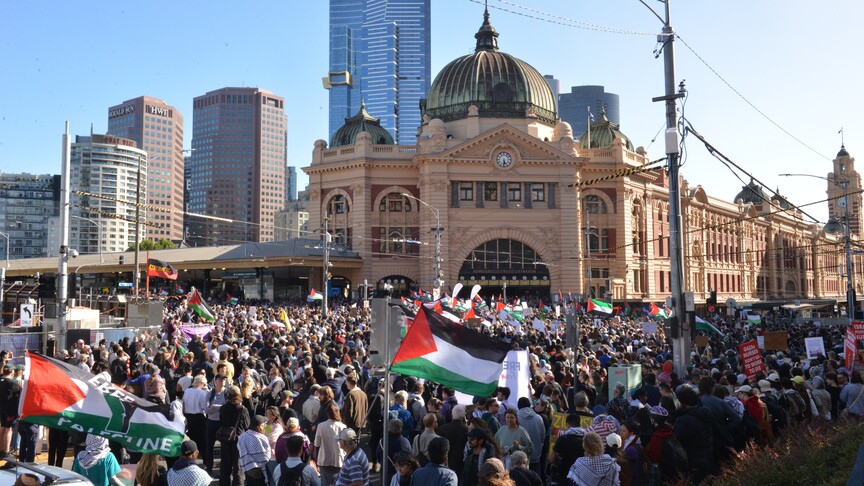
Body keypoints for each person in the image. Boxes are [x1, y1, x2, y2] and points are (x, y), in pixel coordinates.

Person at [220, 385, 251, 486]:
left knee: (225, 468)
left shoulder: (223, 408)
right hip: (239, 441)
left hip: (225, 439)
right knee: (238, 469)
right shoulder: (242, 409)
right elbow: (247, 425)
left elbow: (221, 422)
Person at [314, 405, 347, 486]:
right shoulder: (342, 426)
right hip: (338, 459)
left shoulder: (321, 426)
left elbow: (317, 443)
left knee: (325, 482)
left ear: (327, 414)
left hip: (324, 458)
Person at [238, 414, 273, 486]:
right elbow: (266, 457)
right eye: (264, 425)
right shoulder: (261, 438)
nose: (265, 427)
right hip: (260, 471)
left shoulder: (242, 437)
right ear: (260, 426)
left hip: (248, 469)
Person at [438, 404, 469, 474]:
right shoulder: (466, 430)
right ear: (463, 416)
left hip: (445, 463)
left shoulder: (442, 429)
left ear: (452, 414)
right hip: (461, 464)